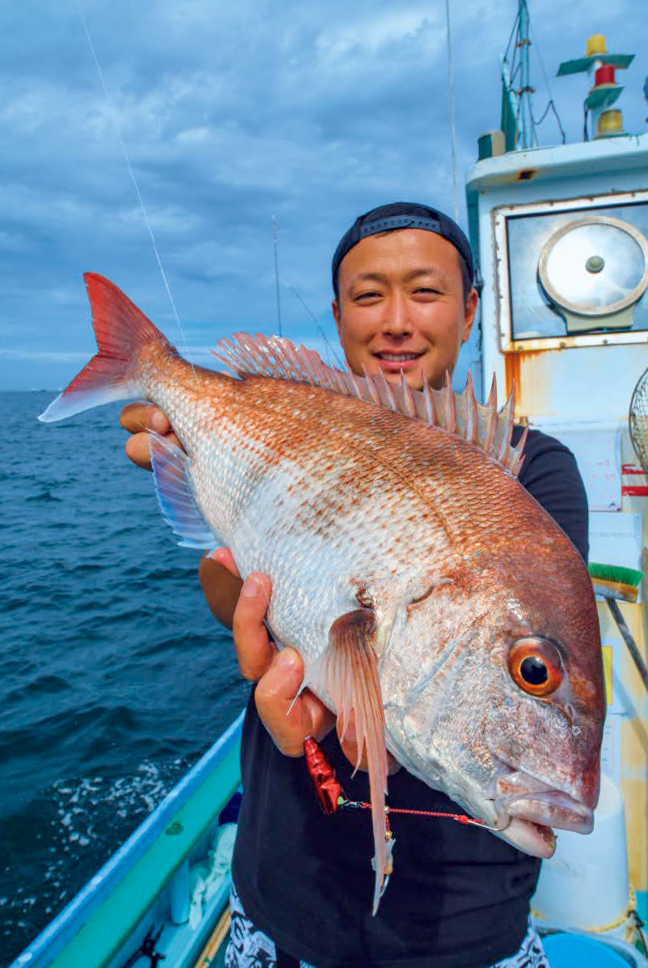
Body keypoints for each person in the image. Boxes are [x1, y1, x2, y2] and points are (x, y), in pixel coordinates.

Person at [121, 202, 588, 968]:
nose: (396, 321)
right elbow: (229, 593)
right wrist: (191, 462)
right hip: (282, 883)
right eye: (369, 296)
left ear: (472, 309)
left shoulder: (534, 474)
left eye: (426, 292)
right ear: (337, 318)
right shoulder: (291, 421)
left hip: (465, 923)